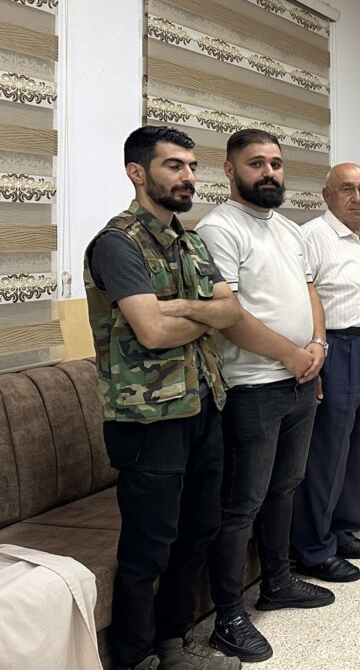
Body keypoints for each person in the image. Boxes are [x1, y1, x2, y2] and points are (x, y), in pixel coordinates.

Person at [84, 126, 242, 670]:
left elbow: (231, 312)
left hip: (203, 404)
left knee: (198, 532)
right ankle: (135, 659)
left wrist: (182, 308)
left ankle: (174, 644)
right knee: (148, 548)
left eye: (192, 166)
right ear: (137, 172)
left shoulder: (191, 240)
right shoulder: (118, 243)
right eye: (174, 165)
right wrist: (201, 314)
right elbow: (151, 331)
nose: (188, 176)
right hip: (148, 419)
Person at [197, 129, 332, 664]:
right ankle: (229, 618)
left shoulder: (288, 228)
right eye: (257, 163)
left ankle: (277, 582)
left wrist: (316, 347)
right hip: (251, 386)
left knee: (285, 488)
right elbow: (229, 317)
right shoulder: (218, 228)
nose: (270, 172)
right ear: (230, 171)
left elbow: (310, 292)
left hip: (298, 379)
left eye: (276, 163)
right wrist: (291, 355)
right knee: (241, 504)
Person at [291, 164, 360, 584]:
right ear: (326, 194)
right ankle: (313, 547)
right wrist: (314, 354)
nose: (358, 197)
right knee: (329, 449)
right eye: (347, 189)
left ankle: (344, 530)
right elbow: (302, 300)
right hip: (338, 345)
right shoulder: (313, 236)